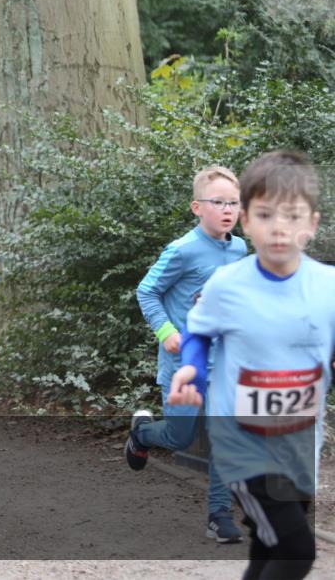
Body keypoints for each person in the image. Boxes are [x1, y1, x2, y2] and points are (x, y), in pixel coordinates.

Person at [168, 150, 333, 580]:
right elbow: (199, 332)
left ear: (312, 224)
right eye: (264, 215)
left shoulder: (328, 287)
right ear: (246, 221)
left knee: (267, 545)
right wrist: (189, 366)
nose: (279, 227)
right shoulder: (228, 284)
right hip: (244, 444)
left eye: (292, 216)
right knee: (297, 551)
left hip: (299, 444)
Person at [125, 165, 247, 543]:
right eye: (218, 202)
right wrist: (167, 333)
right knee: (179, 437)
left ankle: (219, 516)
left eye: (234, 203)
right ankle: (142, 434)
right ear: (197, 207)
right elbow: (146, 291)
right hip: (185, 365)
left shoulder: (241, 248)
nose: (227, 209)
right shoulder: (181, 250)